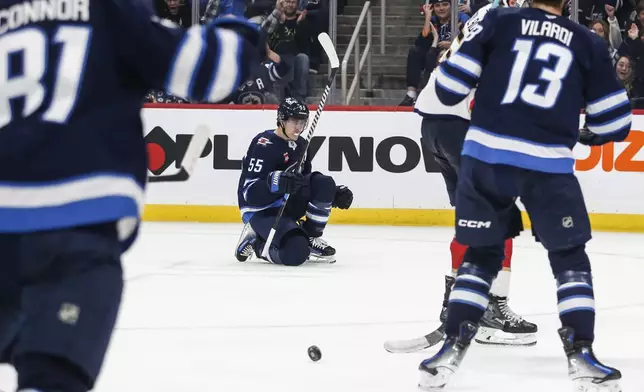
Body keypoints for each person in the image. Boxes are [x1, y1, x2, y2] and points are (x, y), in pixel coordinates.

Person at [0, 2, 261, 391]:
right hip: (73, 234)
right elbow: (207, 69)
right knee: (50, 378)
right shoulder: (107, 9)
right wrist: (240, 28)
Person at [417, 0, 631, 388]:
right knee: (569, 258)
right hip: (547, 163)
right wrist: (587, 132)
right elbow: (615, 122)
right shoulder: (587, 41)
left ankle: (450, 347)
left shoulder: (498, 20)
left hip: (485, 157)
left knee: (481, 255)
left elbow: (448, 88)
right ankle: (581, 353)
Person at [412, 0, 537, 348]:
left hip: (435, 125)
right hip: (461, 125)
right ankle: (490, 310)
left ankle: (454, 306)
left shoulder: (488, 13)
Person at [234, 97, 353, 265]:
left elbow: (304, 183)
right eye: (294, 122)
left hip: (288, 203)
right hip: (262, 210)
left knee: (325, 183)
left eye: (302, 122)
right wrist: (276, 182)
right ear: (282, 119)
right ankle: (257, 243)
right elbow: (250, 193)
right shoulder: (264, 144)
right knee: (296, 252)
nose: (299, 127)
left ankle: (311, 237)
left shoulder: (302, 145)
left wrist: (333, 195)